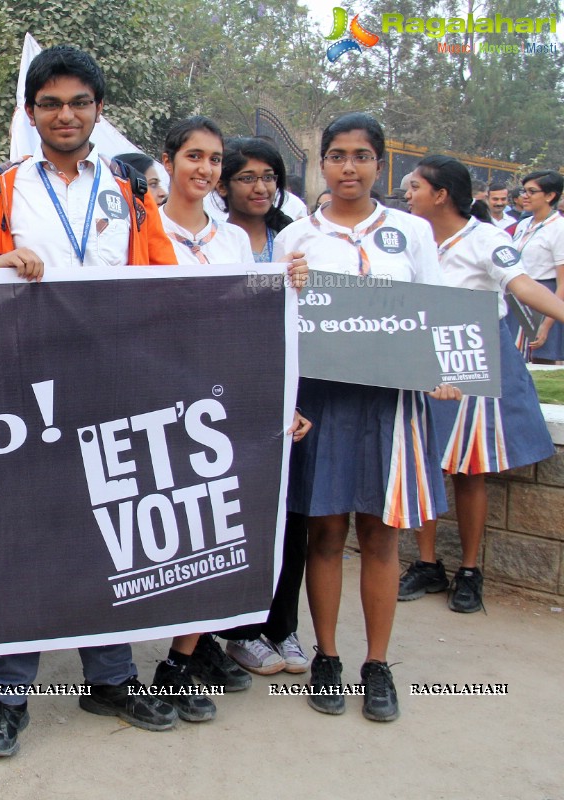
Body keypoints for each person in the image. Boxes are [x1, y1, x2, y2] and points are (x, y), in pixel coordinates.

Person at [0, 45, 183, 757]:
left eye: (79, 103)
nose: (66, 114)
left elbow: (167, 283)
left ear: (99, 112)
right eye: (51, 103)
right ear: (31, 112)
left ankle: (109, 677)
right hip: (22, 397)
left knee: (112, 534)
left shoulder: (133, 192)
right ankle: (8, 694)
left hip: (111, 393)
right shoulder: (0, 191)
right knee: (22, 541)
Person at [274, 112, 460, 723]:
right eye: (337, 155)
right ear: (321, 163)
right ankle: (326, 655)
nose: (348, 167)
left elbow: (434, 310)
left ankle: (376, 665)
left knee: (381, 536)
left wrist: (445, 369)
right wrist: (290, 287)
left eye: (361, 156)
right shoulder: (294, 238)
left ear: (381, 164)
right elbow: (276, 329)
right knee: (324, 536)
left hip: (393, 403)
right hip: (323, 402)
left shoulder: (409, 232)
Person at [401, 156, 564, 613]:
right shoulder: (410, 240)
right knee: (427, 460)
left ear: (441, 194)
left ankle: (469, 570)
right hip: (424, 355)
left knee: (471, 467)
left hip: (473, 355)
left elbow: (523, 284)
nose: (407, 195)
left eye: (414, 187)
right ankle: (427, 563)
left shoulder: (487, 238)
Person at [211, 136, 311, 676]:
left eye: (270, 176)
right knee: (236, 511)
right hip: (229, 391)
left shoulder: (296, 239)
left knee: (289, 515)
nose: (261, 186)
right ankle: (238, 631)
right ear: (224, 186)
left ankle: (283, 626)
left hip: (290, 390)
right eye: (247, 176)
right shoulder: (214, 241)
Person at [159, 117, 253, 266]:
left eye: (215, 160)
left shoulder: (235, 238)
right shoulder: (143, 233)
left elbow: (251, 288)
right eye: (194, 157)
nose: (206, 170)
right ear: (168, 162)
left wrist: (283, 273)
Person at [511, 171, 564, 364]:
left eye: (532, 192)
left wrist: (547, 323)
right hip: (517, 297)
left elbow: (563, 283)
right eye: (524, 191)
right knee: (514, 359)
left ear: (550, 196)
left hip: (544, 299)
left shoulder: (559, 228)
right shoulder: (524, 224)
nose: (525, 196)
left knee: (540, 362)